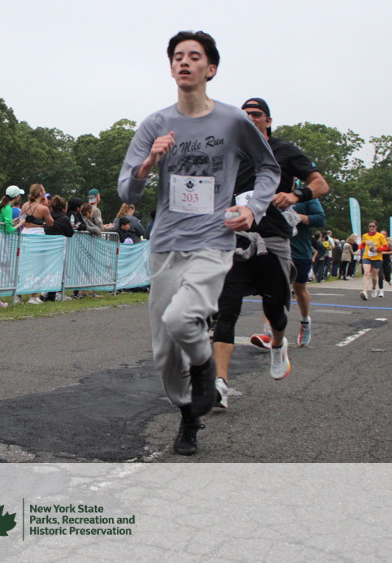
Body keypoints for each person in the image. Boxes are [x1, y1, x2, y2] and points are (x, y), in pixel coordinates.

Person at [118, 31, 280, 456]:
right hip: (166, 242)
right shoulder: (155, 124)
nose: (184, 62)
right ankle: (188, 413)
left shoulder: (232, 121)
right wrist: (148, 163)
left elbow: (269, 168)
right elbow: (127, 192)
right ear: (171, 67)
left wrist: (253, 208)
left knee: (182, 318)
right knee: (164, 352)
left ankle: (206, 364)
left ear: (211, 69)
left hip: (213, 239)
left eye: (194, 56)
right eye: (177, 56)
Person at [211, 98, 329, 410]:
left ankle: (277, 345)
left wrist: (295, 195)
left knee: (275, 307)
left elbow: (320, 184)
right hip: (237, 238)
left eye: (256, 114)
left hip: (274, 237)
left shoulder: (284, 151)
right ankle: (220, 383)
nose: (250, 118)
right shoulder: (230, 153)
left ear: (268, 120)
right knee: (227, 309)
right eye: (244, 115)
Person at [290, 195, 326, 348]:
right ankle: (268, 332)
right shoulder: (270, 192)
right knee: (273, 290)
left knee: (300, 290)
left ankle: (305, 321)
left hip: (299, 252)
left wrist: (296, 217)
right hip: (277, 250)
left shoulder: (305, 196)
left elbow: (320, 219)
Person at [0, 185, 26, 307]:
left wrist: (12, 222)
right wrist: (20, 224)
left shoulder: (0, 204)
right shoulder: (7, 207)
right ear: (17, 197)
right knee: (0, 268)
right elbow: (8, 230)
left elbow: (2, 223)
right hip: (1, 240)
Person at [359, 220, 389, 300]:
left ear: (376, 227)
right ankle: (364, 292)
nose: (371, 228)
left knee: (374, 277)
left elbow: (386, 247)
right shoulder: (365, 235)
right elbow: (363, 244)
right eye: (370, 226)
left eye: (373, 226)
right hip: (367, 256)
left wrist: (377, 249)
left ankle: (374, 287)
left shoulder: (380, 236)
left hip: (377, 258)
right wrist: (359, 249)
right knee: (366, 273)